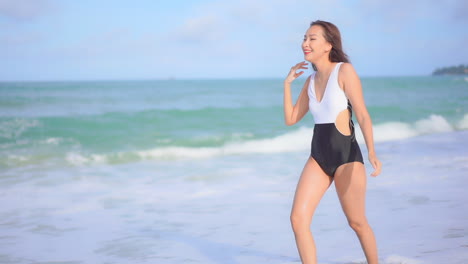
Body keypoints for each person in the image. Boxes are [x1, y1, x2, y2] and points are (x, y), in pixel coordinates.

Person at [283, 20, 382, 264]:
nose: (305, 43)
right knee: (298, 220)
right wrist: (287, 84)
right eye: (304, 38)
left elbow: (362, 114)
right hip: (318, 156)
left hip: (346, 157)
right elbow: (292, 118)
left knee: (357, 222)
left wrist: (372, 152)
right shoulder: (309, 81)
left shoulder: (344, 71)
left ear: (328, 44)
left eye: (312, 38)